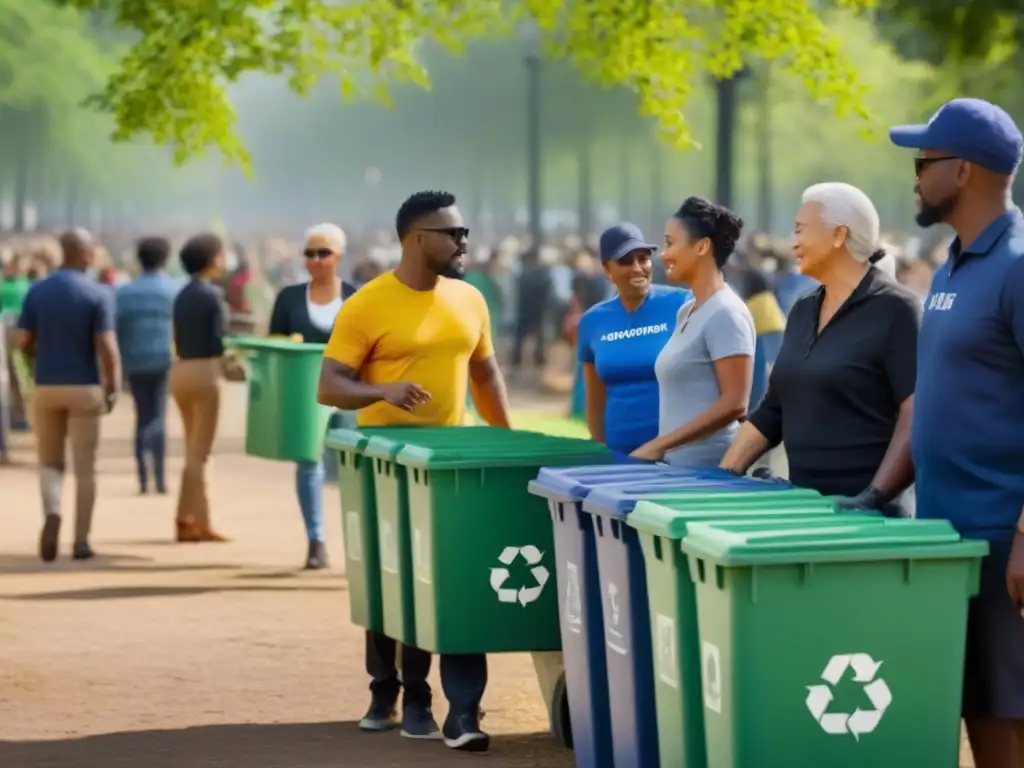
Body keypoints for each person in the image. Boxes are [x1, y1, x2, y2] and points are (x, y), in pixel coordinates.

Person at [317, 190, 512, 751]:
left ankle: (448, 705)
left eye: (465, 232)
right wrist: (384, 389)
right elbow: (329, 386)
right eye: (454, 233)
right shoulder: (369, 304)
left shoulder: (470, 300)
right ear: (416, 238)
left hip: (451, 466)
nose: (464, 242)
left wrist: (507, 443)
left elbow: (486, 375)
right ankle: (390, 689)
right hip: (386, 463)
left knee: (448, 579)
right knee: (392, 579)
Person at [889, 98, 1024, 768]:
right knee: (979, 705)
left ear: (963, 170)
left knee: (1010, 709)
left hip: (1005, 540)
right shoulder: (950, 267)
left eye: (924, 162)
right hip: (948, 536)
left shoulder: (1018, 265)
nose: (914, 176)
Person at [719, 182, 919, 510]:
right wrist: (724, 476)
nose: (792, 242)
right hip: (808, 513)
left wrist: (874, 496)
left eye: (800, 230)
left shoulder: (897, 310)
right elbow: (774, 409)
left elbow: (916, 415)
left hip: (871, 520)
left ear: (839, 235)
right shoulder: (803, 309)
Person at [15, 229, 121, 562]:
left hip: (47, 385)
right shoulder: (99, 293)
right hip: (85, 387)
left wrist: (36, 359)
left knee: (49, 462)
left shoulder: (38, 291)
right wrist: (113, 386)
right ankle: (81, 541)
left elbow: (22, 339)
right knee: (85, 468)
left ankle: (53, 510)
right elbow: (106, 347)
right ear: (85, 254)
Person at [630, 198, 755, 465]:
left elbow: (735, 402)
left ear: (701, 247)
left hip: (708, 473)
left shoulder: (726, 312)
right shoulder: (687, 310)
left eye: (670, 243)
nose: (663, 255)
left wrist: (659, 445)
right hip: (676, 468)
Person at [268, 223, 356, 569]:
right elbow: (273, 343)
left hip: (349, 395)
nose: (316, 260)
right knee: (309, 465)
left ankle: (357, 542)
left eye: (324, 253)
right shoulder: (289, 298)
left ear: (339, 256)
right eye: (310, 253)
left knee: (351, 470)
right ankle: (316, 539)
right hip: (305, 396)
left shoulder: (357, 298)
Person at [576, 223, 690, 455]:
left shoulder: (682, 304)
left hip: (677, 455)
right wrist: (599, 448)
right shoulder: (593, 321)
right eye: (626, 261)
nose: (638, 268)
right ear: (607, 269)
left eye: (643, 258)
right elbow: (595, 402)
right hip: (619, 455)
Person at [170, 233, 229, 543]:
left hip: (180, 369)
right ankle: (202, 521)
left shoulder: (182, 294)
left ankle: (184, 518)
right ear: (212, 259)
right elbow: (219, 340)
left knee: (192, 449)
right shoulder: (212, 295)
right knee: (201, 452)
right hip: (205, 371)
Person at [115, 237, 178, 495]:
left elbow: (117, 329)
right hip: (163, 359)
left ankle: (143, 477)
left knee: (141, 416)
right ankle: (161, 478)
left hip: (134, 360)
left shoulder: (125, 292)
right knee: (159, 416)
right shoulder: (173, 290)